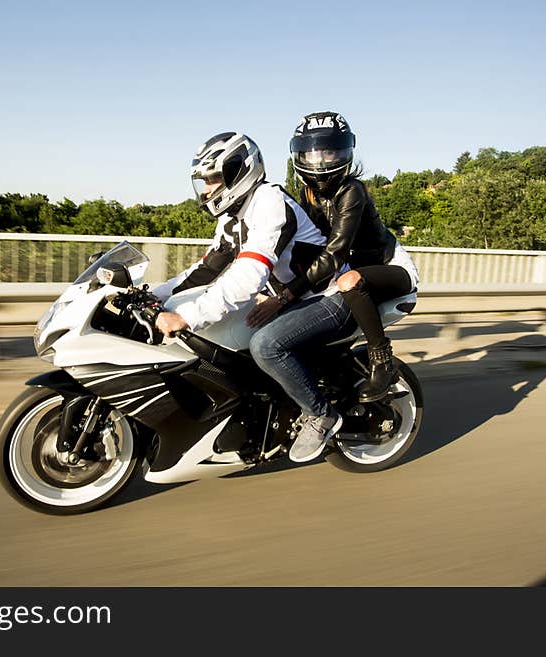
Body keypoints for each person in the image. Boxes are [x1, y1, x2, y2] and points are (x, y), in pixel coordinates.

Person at [247, 111, 419, 463]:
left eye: (330, 153)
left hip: (388, 269)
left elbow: (334, 253)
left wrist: (286, 295)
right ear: (299, 155)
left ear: (346, 154)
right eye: (313, 153)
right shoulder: (306, 193)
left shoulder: (351, 191)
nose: (321, 162)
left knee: (349, 280)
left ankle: (381, 360)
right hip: (348, 271)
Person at [152, 132, 327, 349]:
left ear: (238, 173)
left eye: (212, 179)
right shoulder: (232, 214)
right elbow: (208, 269)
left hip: (322, 295)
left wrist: (188, 317)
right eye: (204, 182)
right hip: (289, 297)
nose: (206, 191)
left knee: (265, 348)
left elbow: (250, 273)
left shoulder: (269, 201)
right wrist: (154, 295)